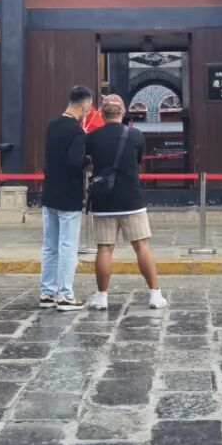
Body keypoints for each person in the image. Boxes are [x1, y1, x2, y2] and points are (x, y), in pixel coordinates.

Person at [85, 93, 166, 311]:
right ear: (122, 112)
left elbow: (90, 163)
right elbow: (138, 161)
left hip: (104, 200)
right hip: (131, 198)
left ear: (102, 114)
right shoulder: (136, 135)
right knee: (141, 246)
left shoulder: (92, 137)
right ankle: (155, 294)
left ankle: (102, 297)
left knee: (104, 248)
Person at [39, 84, 93, 311]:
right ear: (85, 106)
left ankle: (47, 292)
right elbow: (73, 163)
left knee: (50, 246)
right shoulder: (77, 132)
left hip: (50, 191)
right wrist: (88, 160)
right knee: (68, 247)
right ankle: (65, 294)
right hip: (69, 195)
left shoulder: (52, 125)